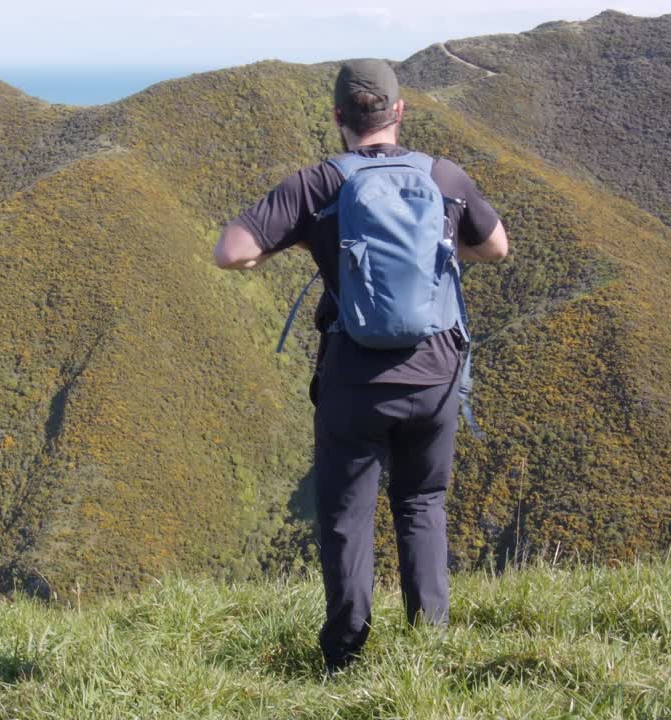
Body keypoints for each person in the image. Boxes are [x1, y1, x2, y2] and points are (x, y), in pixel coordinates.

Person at [213, 58, 509, 675]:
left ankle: (345, 657)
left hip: (355, 380)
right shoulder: (444, 176)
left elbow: (231, 252)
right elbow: (496, 246)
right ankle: (430, 649)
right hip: (436, 373)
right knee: (422, 503)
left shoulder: (318, 185)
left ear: (337, 117)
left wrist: (305, 239)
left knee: (348, 516)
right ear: (399, 112)